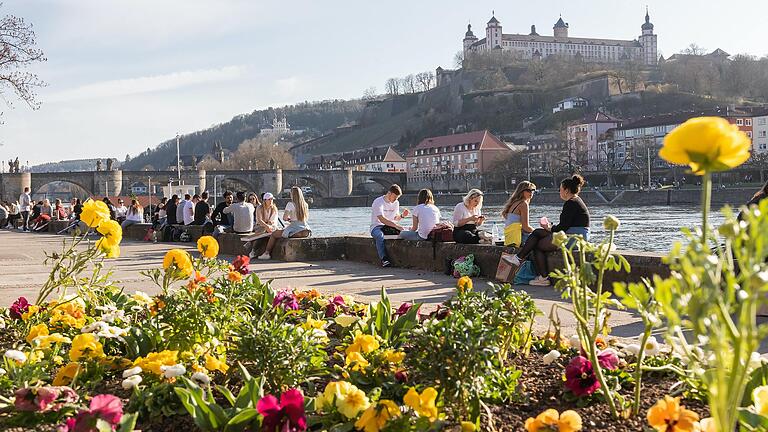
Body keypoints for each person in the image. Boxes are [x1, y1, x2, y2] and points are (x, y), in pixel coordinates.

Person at [507, 174, 590, 287]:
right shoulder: (576, 201)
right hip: (575, 235)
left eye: (560, 190)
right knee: (537, 233)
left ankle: (541, 276)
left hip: (573, 238)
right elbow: (565, 225)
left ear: (566, 190)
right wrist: (550, 228)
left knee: (536, 244)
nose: (559, 192)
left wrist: (549, 228)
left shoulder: (571, 203)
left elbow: (562, 227)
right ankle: (522, 261)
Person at [258, 186, 311, 260]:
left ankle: (267, 253)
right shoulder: (305, 205)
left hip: (296, 231)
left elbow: (285, 218)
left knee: (274, 234)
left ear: (292, 194)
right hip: (305, 230)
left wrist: (289, 219)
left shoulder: (290, 204)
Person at [370, 184, 407, 267]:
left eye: (397, 198)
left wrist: (402, 216)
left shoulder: (396, 203)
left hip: (390, 226)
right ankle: (384, 259)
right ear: (389, 193)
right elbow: (381, 219)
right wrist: (396, 226)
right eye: (394, 197)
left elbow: (395, 218)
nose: (395, 200)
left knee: (405, 232)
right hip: (377, 226)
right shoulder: (378, 202)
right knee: (380, 236)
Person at [501, 181, 537, 247]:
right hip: (518, 238)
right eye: (528, 190)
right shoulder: (523, 204)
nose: (531, 192)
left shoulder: (514, 203)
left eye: (533, 190)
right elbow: (526, 227)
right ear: (521, 191)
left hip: (510, 238)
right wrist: (537, 231)